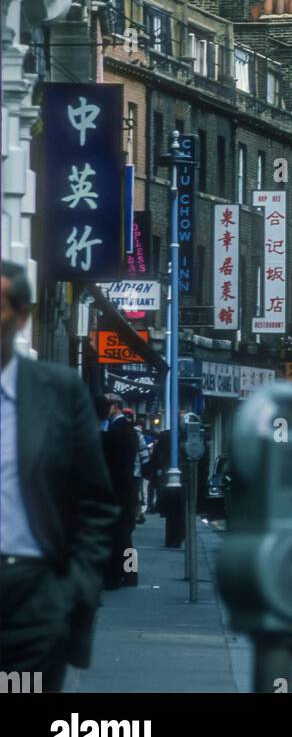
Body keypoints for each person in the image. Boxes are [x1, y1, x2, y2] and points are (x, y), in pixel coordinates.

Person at [0, 261, 117, 692]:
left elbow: (95, 501)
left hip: (34, 598)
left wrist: (74, 589)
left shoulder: (59, 391)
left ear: (22, 317)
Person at [101, 397, 140, 588]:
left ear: (114, 407)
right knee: (126, 536)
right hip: (128, 488)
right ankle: (131, 573)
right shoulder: (128, 429)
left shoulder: (116, 430)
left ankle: (118, 575)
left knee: (120, 535)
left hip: (119, 489)